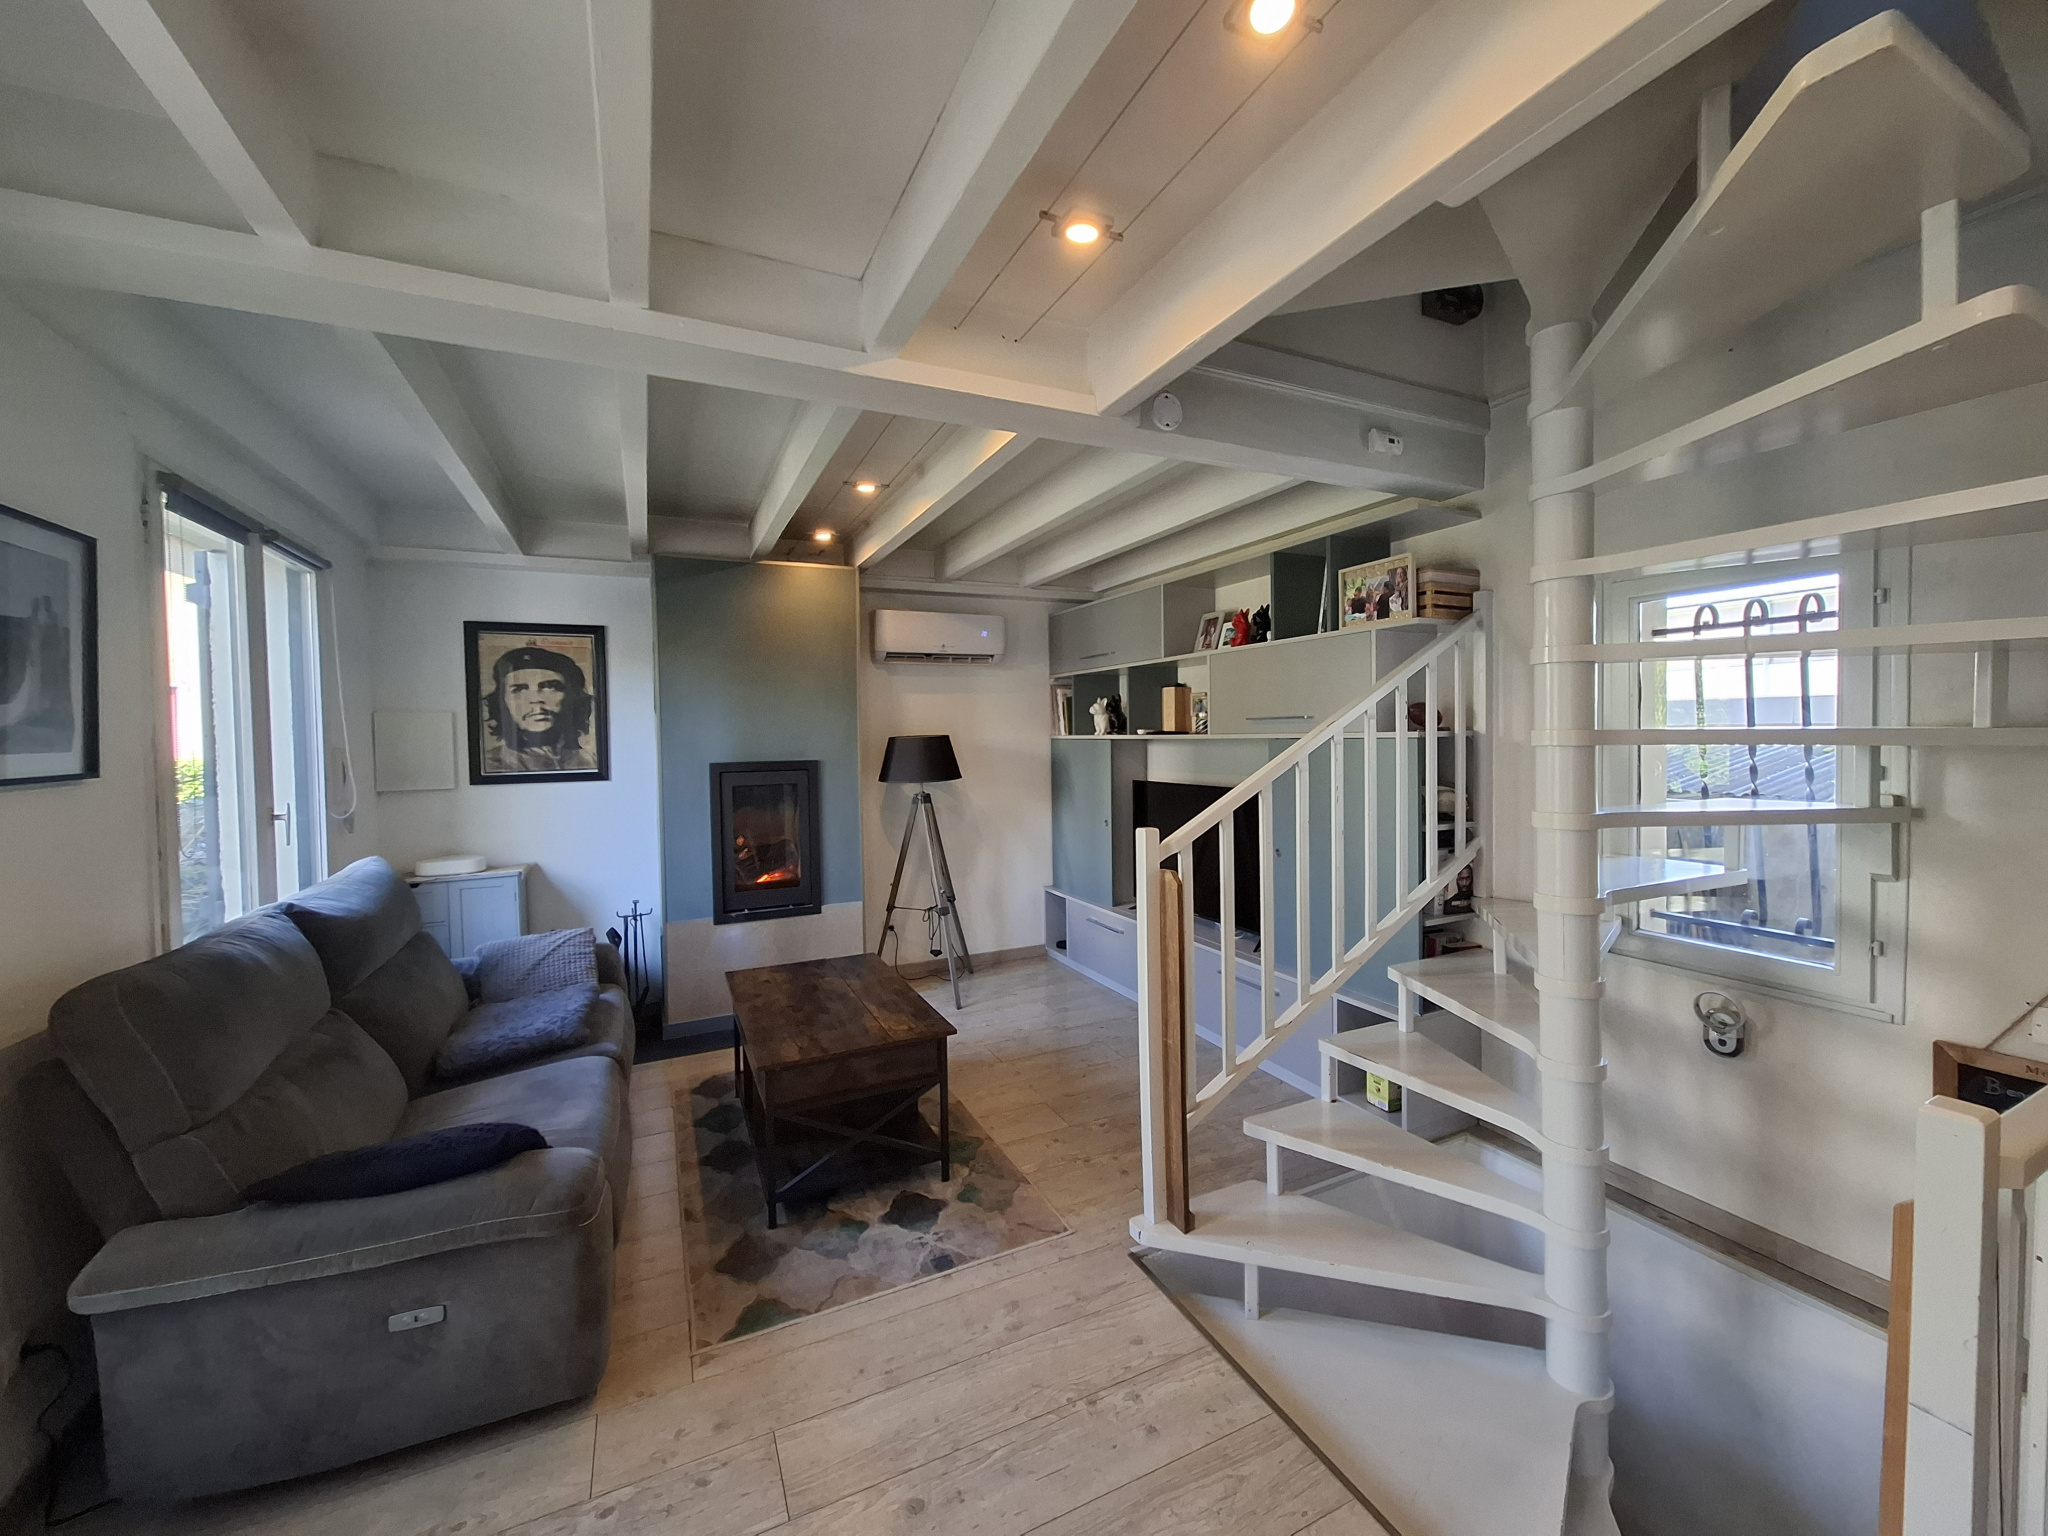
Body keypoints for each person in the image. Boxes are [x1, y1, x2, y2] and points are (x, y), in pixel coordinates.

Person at [480, 644, 596, 773]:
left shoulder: (592, 762)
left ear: (572, 697)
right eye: (519, 690)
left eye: (551, 687)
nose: (535, 699)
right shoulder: (490, 765)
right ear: (501, 701)